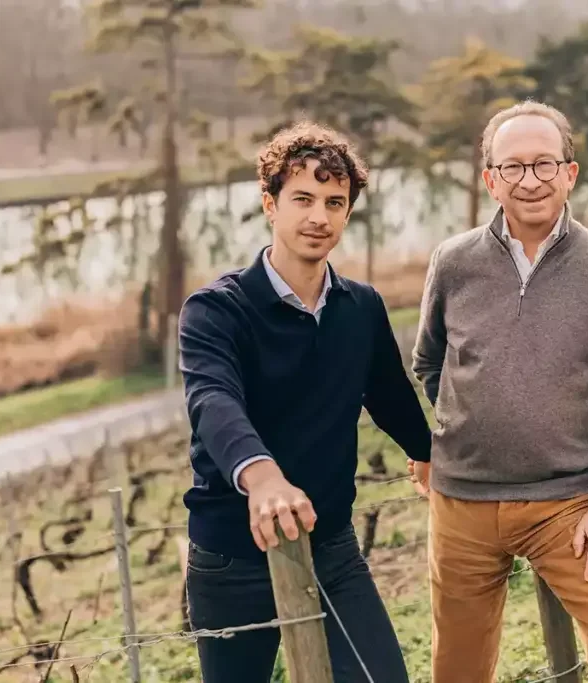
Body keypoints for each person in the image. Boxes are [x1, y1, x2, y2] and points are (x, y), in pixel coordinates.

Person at [410, 100, 588, 683]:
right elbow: (430, 363)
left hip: (571, 507)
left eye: (545, 164)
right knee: (457, 667)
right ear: (490, 180)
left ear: (570, 173)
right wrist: (458, 429)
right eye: (514, 167)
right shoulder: (452, 263)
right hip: (462, 505)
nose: (530, 180)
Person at [178, 121, 431, 683]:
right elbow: (213, 400)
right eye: (303, 199)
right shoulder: (216, 311)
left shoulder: (360, 306)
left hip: (332, 548)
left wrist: (428, 450)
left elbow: (388, 394)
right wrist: (262, 477)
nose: (320, 216)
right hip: (231, 558)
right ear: (270, 205)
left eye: (335, 202)